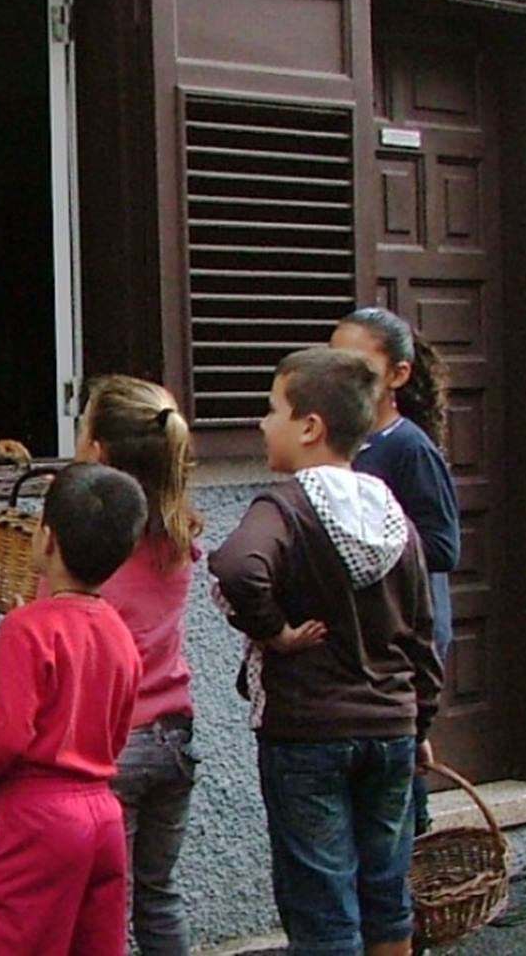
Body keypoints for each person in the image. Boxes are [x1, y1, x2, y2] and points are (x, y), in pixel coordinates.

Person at [209, 347, 443, 956]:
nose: (264, 424)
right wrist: (422, 720)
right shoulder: (392, 512)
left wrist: (274, 632)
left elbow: (238, 567)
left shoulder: (283, 507)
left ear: (310, 426)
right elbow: (422, 630)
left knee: (322, 906)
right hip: (391, 727)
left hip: (307, 731)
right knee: (387, 898)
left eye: (272, 409)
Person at [0, 462, 147, 956]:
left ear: (47, 539)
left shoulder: (26, 628)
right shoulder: (120, 634)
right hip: (103, 815)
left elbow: (7, 733)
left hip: (35, 819)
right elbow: (119, 731)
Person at [73, 374, 202, 955]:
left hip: (113, 743)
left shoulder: (92, 553)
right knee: (158, 892)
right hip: (175, 738)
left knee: (106, 903)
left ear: (97, 452)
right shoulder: (179, 540)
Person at [330, 307, 460, 833]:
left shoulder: (408, 448)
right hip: (365, 634)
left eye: (356, 364)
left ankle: (413, 869)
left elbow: (442, 546)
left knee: (399, 790)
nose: (340, 375)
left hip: (406, 632)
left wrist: (371, 550)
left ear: (398, 376)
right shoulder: (346, 442)